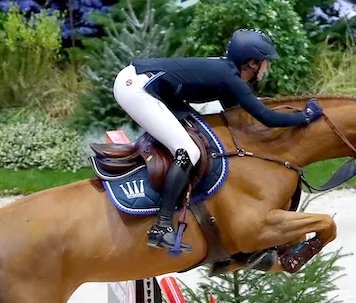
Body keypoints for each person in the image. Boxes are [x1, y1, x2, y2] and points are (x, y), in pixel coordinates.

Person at [113, 29, 323, 252]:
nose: (267, 67)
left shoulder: (228, 74)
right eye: (265, 62)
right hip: (136, 88)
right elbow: (267, 118)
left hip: (155, 89)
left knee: (198, 139)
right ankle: (162, 226)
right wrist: (306, 116)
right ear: (252, 63)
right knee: (189, 151)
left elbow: (247, 112)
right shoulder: (229, 77)